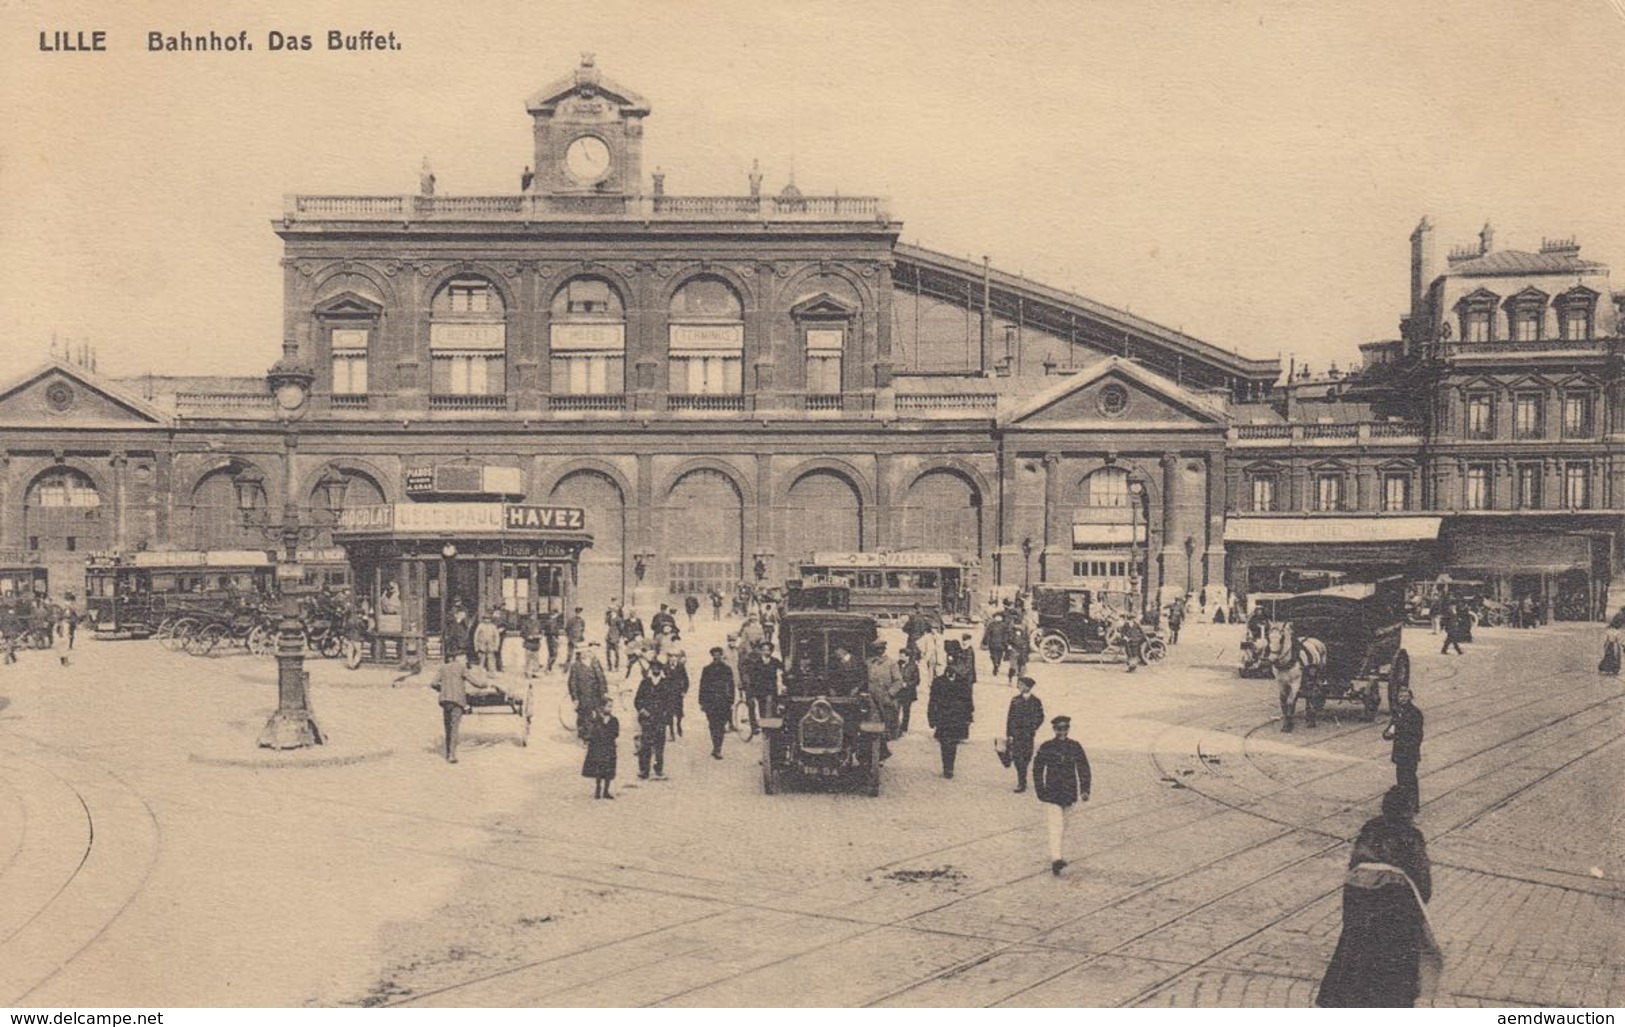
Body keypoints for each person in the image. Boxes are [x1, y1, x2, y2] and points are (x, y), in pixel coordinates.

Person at [1316, 786, 1440, 1007]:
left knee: (1353, 950)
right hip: (1395, 900)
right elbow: (1422, 879)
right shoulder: (1411, 835)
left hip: (1359, 896)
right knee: (1397, 961)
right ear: (1409, 811)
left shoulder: (1370, 828)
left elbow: (1353, 865)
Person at [1032, 715, 1091, 875]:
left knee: (1064, 826)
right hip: (1052, 792)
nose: (1062, 731)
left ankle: (1057, 855)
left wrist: (1085, 790)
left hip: (1069, 793)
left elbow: (1083, 768)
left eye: (1065, 728)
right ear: (1054, 729)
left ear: (1068, 729)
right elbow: (1037, 768)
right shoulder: (1047, 746)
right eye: (1059, 728)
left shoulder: (1075, 746)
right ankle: (1056, 859)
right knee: (1055, 826)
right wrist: (1040, 790)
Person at [432, 648, 493, 764]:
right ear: (456, 658)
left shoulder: (443, 668)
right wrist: (485, 684)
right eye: (463, 657)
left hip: (445, 701)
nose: (465, 659)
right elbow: (476, 683)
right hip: (457, 701)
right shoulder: (461, 668)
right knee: (454, 727)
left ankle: (448, 751)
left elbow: (433, 683)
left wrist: (443, 689)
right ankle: (451, 755)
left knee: (448, 726)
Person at [926, 646, 974, 778]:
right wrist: (931, 718)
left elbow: (968, 701)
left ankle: (949, 768)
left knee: (952, 745)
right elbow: (932, 701)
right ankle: (947, 767)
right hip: (943, 719)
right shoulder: (938, 682)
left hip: (957, 720)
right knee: (944, 744)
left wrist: (969, 718)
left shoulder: (963, 683)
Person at [634, 655, 678, 779]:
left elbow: (671, 701)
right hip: (647, 719)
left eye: (658, 667)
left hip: (660, 719)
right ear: (651, 669)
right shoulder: (645, 683)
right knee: (646, 745)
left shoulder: (666, 683)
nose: (656, 669)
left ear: (661, 669)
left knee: (659, 745)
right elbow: (637, 700)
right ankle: (644, 770)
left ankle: (658, 769)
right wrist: (643, 711)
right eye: (653, 667)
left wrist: (666, 714)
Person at [1384, 683, 1424, 813]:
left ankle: (1414, 805)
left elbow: (1417, 734)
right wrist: (1387, 734)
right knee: (1401, 779)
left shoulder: (1415, 713)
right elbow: (1390, 729)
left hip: (1409, 752)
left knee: (1410, 778)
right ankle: (1404, 804)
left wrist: (1398, 733)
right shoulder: (1398, 712)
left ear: (1410, 698)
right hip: (1400, 752)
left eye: (1405, 696)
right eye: (1400, 696)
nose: (1402, 699)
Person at [1005, 676, 1045, 793]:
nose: (1019, 686)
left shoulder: (1036, 701)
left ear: (1028, 687)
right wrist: (1009, 734)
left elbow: (1041, 717)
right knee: (1018, 758)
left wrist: (1034, 727)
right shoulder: (1015, 700)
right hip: (1017, 734)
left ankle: (1023, 776)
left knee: (1027, 756)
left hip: (1028, 734)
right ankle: (1021, 781)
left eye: (1021, 684)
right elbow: (1010, 718)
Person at [697, 646, 736, 759]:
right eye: (715, 654)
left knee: (721, 725)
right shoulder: (707, 669)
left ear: (722, 655)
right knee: (713, 725)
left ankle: (718, 748)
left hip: (724, 701)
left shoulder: (727, 669)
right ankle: (715, 746)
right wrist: (702, 702)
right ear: (712, 656)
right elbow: (703, 686)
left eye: (719, 654)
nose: (717, 656)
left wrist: (731, 700)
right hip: (711, 702)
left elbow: (731, 685)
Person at [567, 644, 608, 742]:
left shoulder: (595, 663)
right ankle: (586, 737)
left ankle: (599, 735)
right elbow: (572, 683)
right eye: (583, 652)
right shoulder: (575, 666)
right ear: (579, 654)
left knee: (599, 714)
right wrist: (575, 698)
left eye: (587, 651)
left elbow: (602, 678)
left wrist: (605, 691)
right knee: (585, 716)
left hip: (597, 694)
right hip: (583, 695)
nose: (586, 654)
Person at [867, 640, 904, 745]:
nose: (879, 652)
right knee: (873, 725)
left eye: (881, 649)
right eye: (876, 650)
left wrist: (890, 693)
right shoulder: (869, 662)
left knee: (887, 724)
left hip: (885, 698)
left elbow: (898, 681)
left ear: (884, 650)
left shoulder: (891, 663)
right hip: (871, 698)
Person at [581, 699, 620, 800]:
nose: (610, 708)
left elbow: (616, 733)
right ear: (602, 707)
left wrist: (609, 736)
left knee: (608, 770)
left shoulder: (614, 720)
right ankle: (598, 789)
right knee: (598, 769)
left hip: (609, 747)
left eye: (611, 706)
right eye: (608, 706)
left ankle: (606, 791)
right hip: (598, 747)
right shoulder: (597, 720)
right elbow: (592, 733)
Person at [666, 647, 690, 740]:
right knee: (669, 713)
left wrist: (684, 691)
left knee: (679, 712)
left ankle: (678, 725)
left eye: (675, 656)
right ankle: (671, 732)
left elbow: (686, 680)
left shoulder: (681, 666)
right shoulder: (665, 667)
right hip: (668, 694)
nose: (673, 658)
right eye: (671, 656)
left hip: (678, 693)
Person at [895, 647, 921, 735]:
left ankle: (904, 728)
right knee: (896, 709)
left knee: (906, 711)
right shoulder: (896, 664)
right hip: (898, 691)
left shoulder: (913, 666)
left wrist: (908, 684)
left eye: (902, 655)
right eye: (899, 655)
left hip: (908, 693)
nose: (900, 657)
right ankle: (896, 727)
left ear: (907, 657)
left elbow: (917, 680)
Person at [982, 612, 1009, 677]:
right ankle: (996, 665)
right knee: (995, 656)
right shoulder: (992, 625)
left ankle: (996, 664)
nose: (998, 618)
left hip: (999, 643)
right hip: (995, 643)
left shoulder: (1003, 625)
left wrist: (1006, 642)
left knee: (998, 656)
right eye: (997, 617)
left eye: (999, 617)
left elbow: (1006, 634)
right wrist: (985, 640)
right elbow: (987, 633)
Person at [1600, 607, 1625, 675]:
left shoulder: (1619, 615)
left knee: (1611, 652)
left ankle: (1607, 667)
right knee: (1614, 652)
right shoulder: (1621, 617)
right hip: (1613, 633)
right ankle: (1612, 668)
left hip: (1612, 632)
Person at [520, 605, 543, 678]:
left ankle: (535, 673)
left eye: (534, 615)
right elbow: (522, 633)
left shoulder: (538, 623)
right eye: (532, 615)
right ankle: (527, 673)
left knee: (536, 659)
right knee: (528, 659)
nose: (533, 617)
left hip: (536, 644)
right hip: (529, 644)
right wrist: (527, 636)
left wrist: (540, 636)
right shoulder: (526, 623)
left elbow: (541, 632)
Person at [543, 607, 563, 672]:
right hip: (552, 639)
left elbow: (546, 632)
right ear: (555, 614)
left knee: (551, 653)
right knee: (554, 654)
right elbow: (552, 632)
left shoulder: (548, 621)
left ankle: (549, 667)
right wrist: (556, 640)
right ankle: (549, 667)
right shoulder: (552, 622)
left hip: (549, 639)